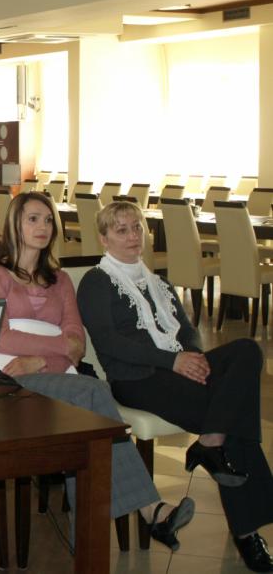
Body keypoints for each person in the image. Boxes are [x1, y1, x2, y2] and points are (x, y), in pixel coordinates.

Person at [0, 192, 194, 549]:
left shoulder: (60, 280)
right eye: (33, 219)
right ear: (14, 224)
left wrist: (41, 360)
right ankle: (148, 509)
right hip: (7, 381)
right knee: (93, 395)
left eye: (48, 220)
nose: (43, 227)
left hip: (58, 378)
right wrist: (54, 349)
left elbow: (76, 344)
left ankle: (96, 535)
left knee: (86, 423)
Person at [78, 201, 273, 571]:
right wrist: (173, 361)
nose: (133, 236)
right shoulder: (96, 282)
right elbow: (109, 343)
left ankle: (210, 442)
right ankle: (247, 533)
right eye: (121, 230)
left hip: (178, 367)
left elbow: (186, 330)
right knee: (232, 411)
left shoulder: (159, 282)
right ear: (104, 238)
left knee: (247, 351)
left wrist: (195, 358)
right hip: (136, 378)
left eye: (137, 227)